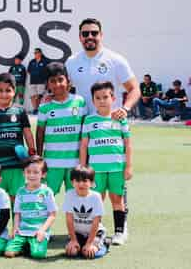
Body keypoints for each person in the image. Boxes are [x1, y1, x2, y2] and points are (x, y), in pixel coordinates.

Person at [65, 18, 140, 241]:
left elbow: (134, 88)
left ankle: (121, 226)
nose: (90, 37)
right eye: (85, 33)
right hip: (84, 128)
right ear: (80, 37)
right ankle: (93, 226)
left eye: (94, 33)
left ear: (101, 35)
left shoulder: (115, 59)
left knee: (115, 179)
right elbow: (64, 87)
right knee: (88, 179)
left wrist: (125, 109)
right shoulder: (71, 62)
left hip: (110, 127)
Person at [80, 82, 132, 246]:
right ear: (93, 100)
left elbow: (128, 144)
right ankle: (97, 230)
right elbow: (84, 145)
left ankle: (119, 232)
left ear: (113, 98)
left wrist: (129, 166)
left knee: (117, 199)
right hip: (96, 169)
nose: (102, 101)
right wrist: (83, 168)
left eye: (105, 97)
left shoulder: (120, 118)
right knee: (97, 199)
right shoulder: (89, 120)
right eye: (98, 98)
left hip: (117, 167)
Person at [0, 73, 36, 203]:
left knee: (16, 200)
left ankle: (16, 224)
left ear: (14, 91)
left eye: (8, 90)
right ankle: (1, 224)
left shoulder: (20, 111)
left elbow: (27, 133)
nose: (4, 94)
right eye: (0, 90)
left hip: (17, 165)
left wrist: (32, 152)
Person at [36, 62, 87, 195]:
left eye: (60, 80)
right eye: (53, 81)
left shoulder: (79, 102)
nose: (57, 84)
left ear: (68, 80)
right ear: (48, 84)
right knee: (46, 197)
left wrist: (85, 159)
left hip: (75, 163)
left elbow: (85, 132)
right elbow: (40, 132)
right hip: (52, 163)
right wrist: (39, 158)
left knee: (76, 198)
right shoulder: (45, 107)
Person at [4, 156, 57, 259]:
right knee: (8, 253)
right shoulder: (20, 192)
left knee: (37, 254)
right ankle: (25, 244)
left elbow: (52, 214)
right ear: (23, 173)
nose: (31, 175)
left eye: (36, 172)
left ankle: (30, 245)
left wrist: (42, 230)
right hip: (22, 230)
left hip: (38, 231)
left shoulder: (47, 192)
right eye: (28, 172)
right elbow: (17, 213)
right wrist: (15, 228)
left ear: (43, 174)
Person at [63, 166, 109, 259]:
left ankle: (105, 243)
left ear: (91, 183)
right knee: (71, 252)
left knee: (89, 253)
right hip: (78, 233)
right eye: (77, 181)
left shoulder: (96, 197)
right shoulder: (69, 194)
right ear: (72, 182)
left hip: (95, 233)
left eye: (85, 181)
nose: (81, 184)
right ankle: (81, 244)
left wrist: (89, 243)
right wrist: (73, 240)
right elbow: (69, 220)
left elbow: (96, 222)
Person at [27, 48, 50, 114]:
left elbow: (48, 71)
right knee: (33, 96)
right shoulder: (32, 61)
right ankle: (35, 109)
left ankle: (40, 108)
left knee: (40, 96)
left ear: (40, 53)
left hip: (41, 82)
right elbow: (29, 71)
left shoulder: (45, 61)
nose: (36, 54)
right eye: (35, 53)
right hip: (33, 81)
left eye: (37, 52)